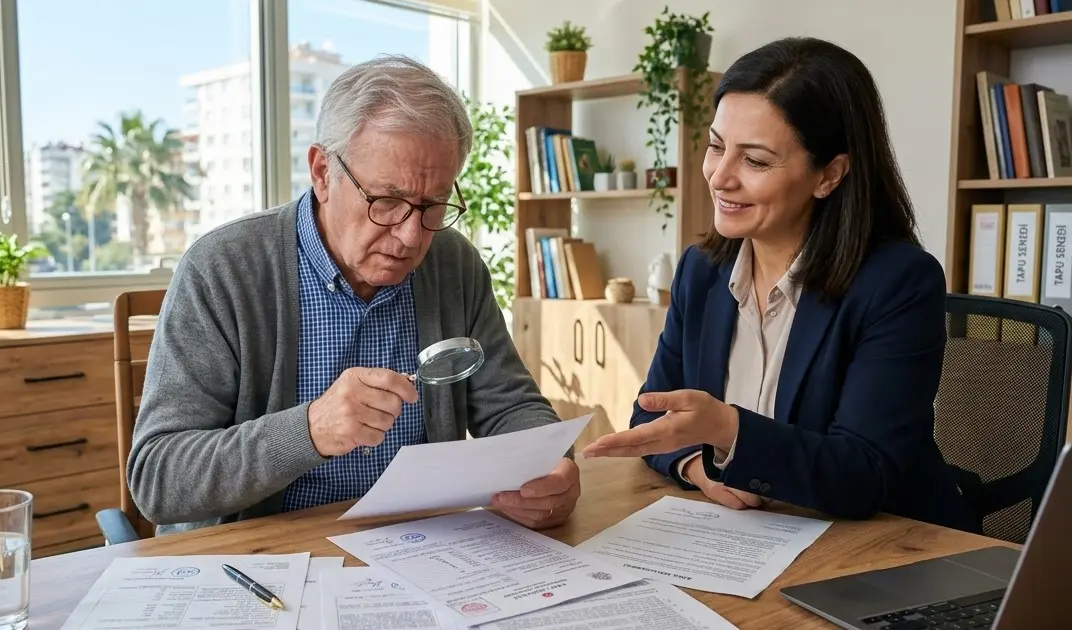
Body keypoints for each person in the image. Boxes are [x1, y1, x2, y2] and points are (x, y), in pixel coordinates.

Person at [127, 55, 580, 535]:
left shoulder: (454, 264)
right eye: (387, 200)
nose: (410, 236)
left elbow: (510, 406)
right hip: (264, 555)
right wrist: (309, 431)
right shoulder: (222, 268)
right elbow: (159, 479)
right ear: (322, 172)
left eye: (433, 205)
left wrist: (551, 466)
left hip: (421, 545)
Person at [581, 37, 979, 533]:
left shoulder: (898, 282)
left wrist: (729, 431)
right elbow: (652, 419)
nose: (719, 177)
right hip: (745, 539)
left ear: (829, 175)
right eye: (716, 147)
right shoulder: (701, 272)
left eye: (755, 161)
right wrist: (698, 466)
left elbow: (865, 473)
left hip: (885, 545)